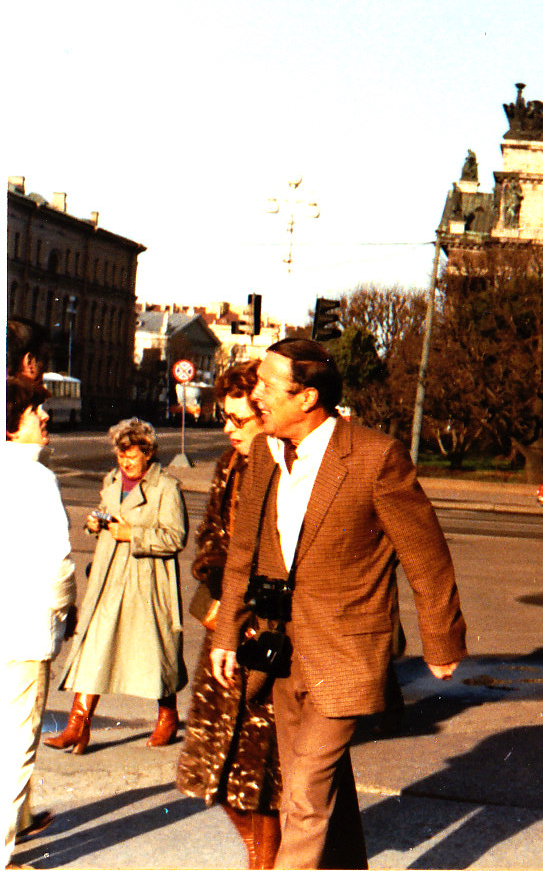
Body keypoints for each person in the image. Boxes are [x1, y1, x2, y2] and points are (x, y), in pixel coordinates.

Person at [210, 338, 467, 869]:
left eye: (267, 386)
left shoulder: (374, 457)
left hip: (347, 655)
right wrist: (227, 633)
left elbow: (426, 556)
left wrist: (441, 641)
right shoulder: (263, 455)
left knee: (305, 793)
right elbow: (242, 553)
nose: (257, 396)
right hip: (281, 652)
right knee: (307, 784)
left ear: (306, 397)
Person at [176, 360, 282, 869]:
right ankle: (259, 854)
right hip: (225, 634)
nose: (228, 429)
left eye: (239, 420)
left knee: (260, 774)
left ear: (266, 416)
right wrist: (219, 579)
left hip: (268, 638)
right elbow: (211, 536)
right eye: (226, 418)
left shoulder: (285, 468)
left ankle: (265, 860)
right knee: (214, 772)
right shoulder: (228, 465)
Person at [44, 418, 188, 753]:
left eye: (132, 456)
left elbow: (175, 537)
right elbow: (107, 513)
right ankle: (78, 726)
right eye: (121, 456)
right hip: (108, 577)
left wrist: (131, 534)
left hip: (147, 580)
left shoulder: (166, 487)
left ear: (148, 454)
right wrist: (94, 523)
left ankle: (167, 716)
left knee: (155, 652)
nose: (126, 463)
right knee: (94, 646)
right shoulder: (111, 480)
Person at [2, 377, 76, 867]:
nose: (46, 416)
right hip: (25, 631)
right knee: (16, 742)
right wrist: (66, 611)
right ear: (12, 425)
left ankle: (22, 819)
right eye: (36, 411)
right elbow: (58, 565)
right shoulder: (36, 478)